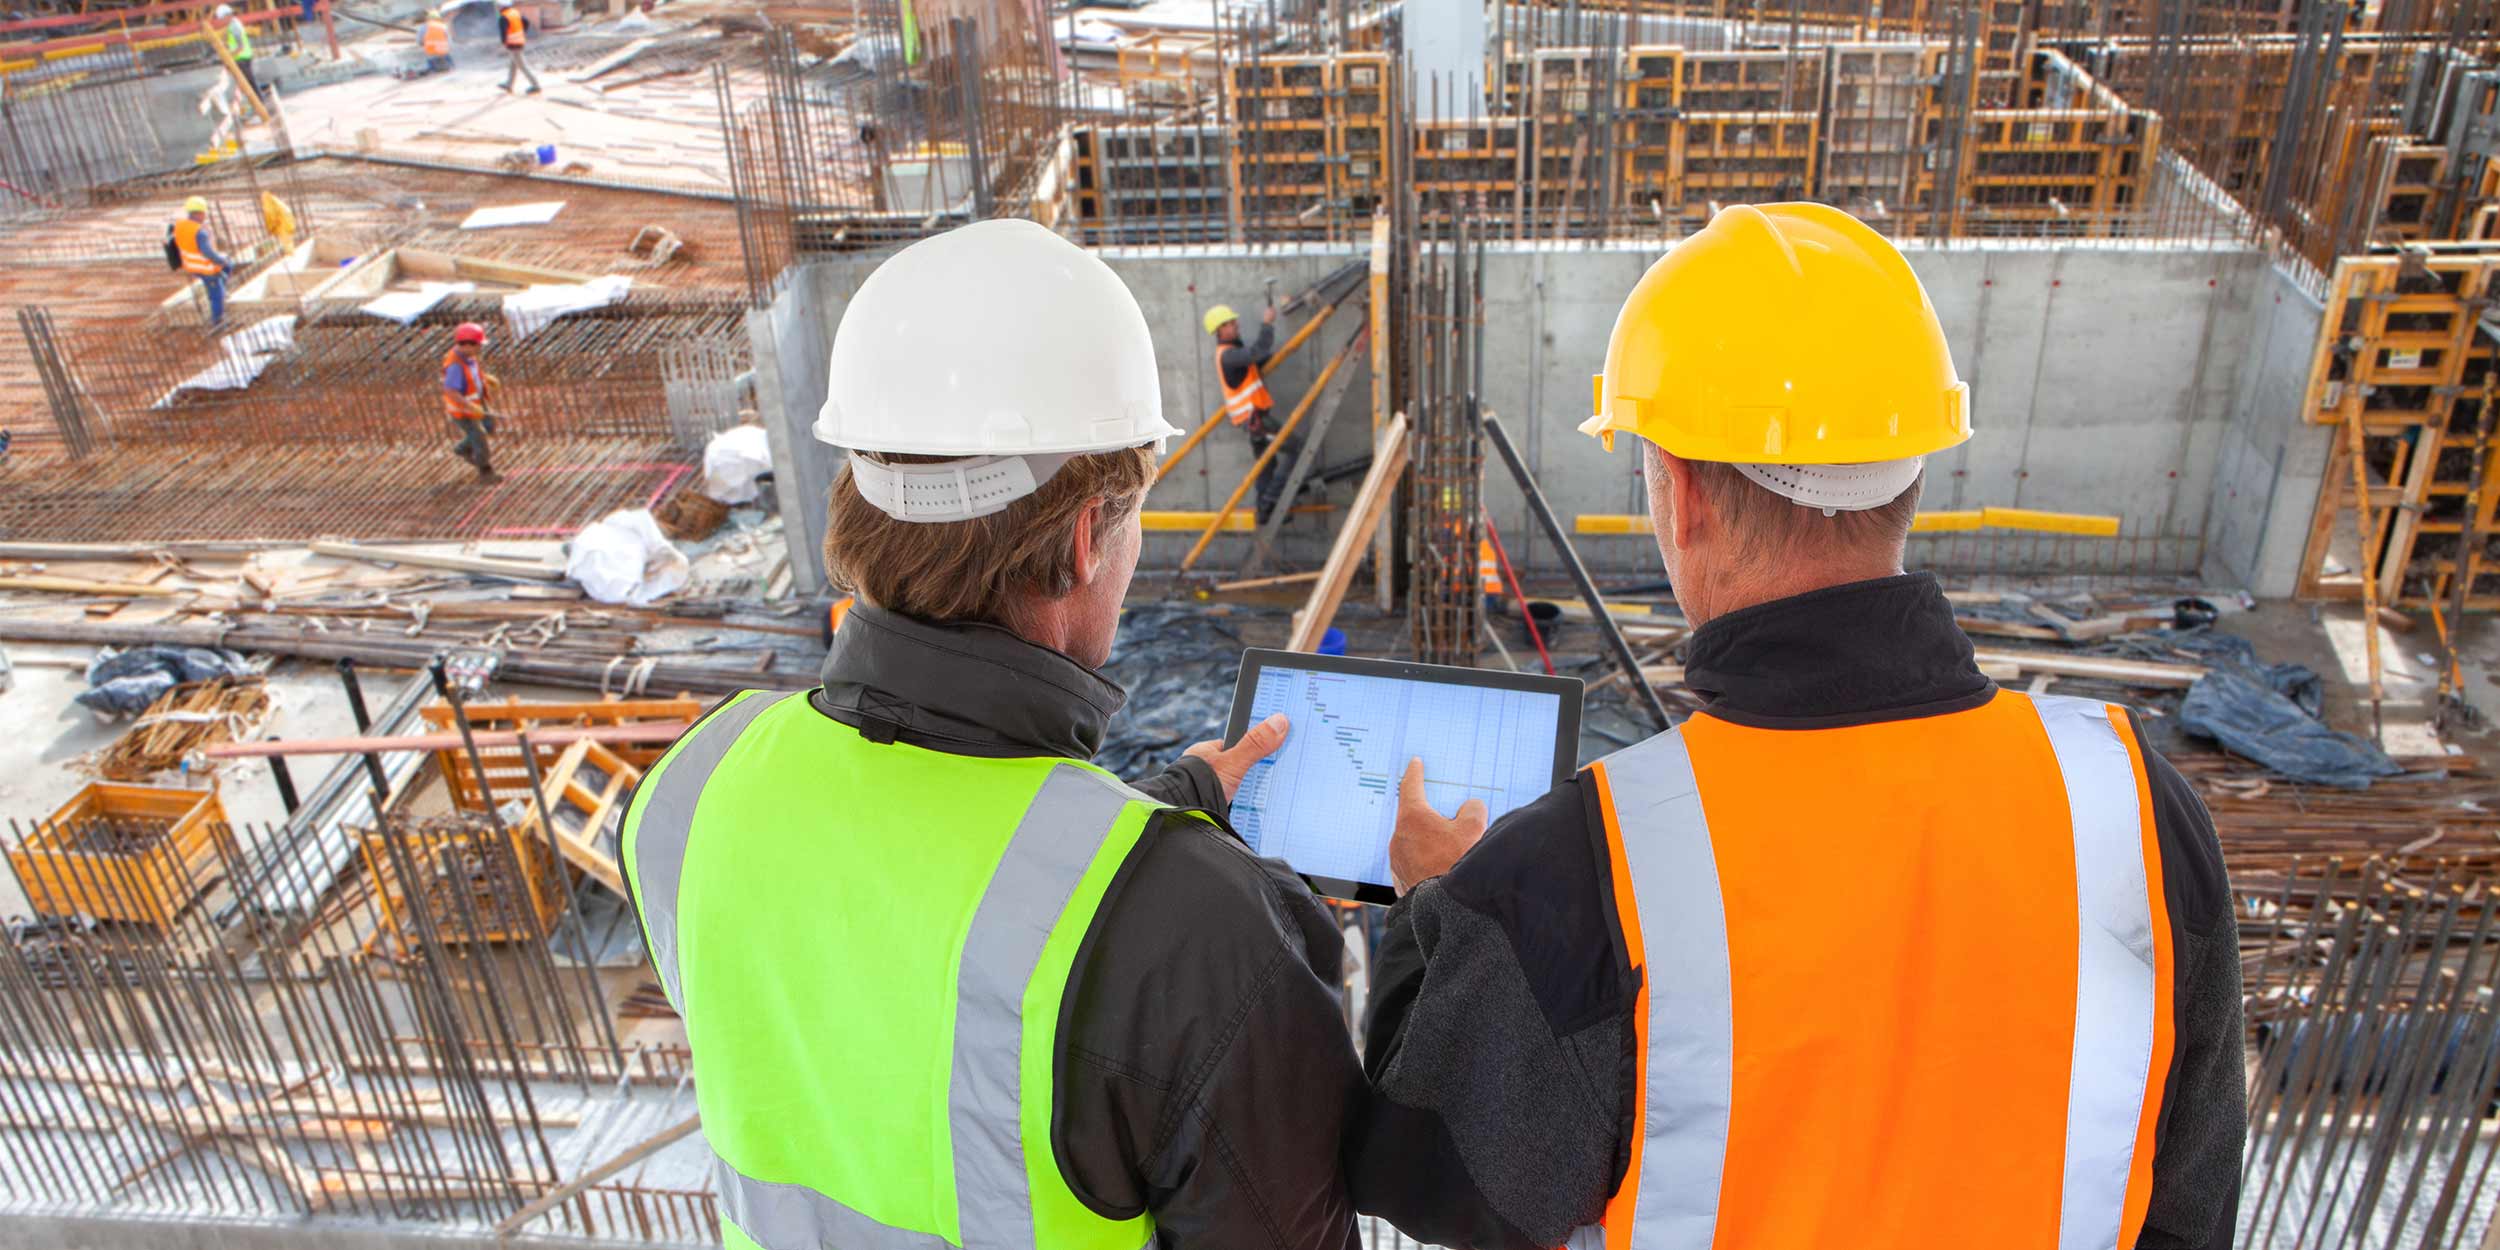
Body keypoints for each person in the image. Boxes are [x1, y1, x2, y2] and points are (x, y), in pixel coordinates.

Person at [1350, 202, 2246, 1250]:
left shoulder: (1583, 868)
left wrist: (1430, 905)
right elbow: (2187, 1202)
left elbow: (1425, 1170)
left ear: (1680, 495)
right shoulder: (2132, 804)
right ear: (1911, 468)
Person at [620, 219, 1365, 1250]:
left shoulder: (690, 786)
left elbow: (897, 963)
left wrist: (1163, 829)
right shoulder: (1208, 938)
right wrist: (1210, 900)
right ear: (1078, 539)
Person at [1203, 300, 1299, 524]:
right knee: (1295, 447)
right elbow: (1257, 352)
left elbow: (1255, 358)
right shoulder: (1228, 355)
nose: (1236, 324)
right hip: (1256, 420)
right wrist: (1267, 324)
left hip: (1254, 420)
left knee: (1267, 463)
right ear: (1219, 331)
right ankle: (1271, 499)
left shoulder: (1234, 353)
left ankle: (1264, 511)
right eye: (1229, 323)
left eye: (1234, 321)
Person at [441, 321, 500, 482]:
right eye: (479, 345)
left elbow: (471, 375)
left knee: (488, 425)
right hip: (463, 411)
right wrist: (470, 406)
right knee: (478, 436)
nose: (481, 348)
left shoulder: (468, 357)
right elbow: (450, 391)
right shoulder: (455, 365)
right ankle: (485, 470)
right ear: (467, 345)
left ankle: (462, 448)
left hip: (477, 403)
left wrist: (485, 379)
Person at [167, 196, 233, 326]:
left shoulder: (181, 225)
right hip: (205, 268)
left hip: (190, 265)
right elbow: (207, 253)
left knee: (229, 265)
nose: (205, 215)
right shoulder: (200, 232)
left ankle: (218, 288)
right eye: (204, 212)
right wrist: (220, 260)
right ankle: (218, 322)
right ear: (199, 213)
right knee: (217, 295)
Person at [211, 4, 260, 99]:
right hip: (242, 57)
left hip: (242, 58)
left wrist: (229, 56)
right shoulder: (233, 24)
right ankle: (258, 101)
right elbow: (231, 42)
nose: (221, 21)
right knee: (248, 83)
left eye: (221, 18)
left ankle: (260, 103)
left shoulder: (234, 27)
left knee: (250, 83)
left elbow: (240, 46)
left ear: (226, 16)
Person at [496, 0, 541, 94]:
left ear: (501, 6)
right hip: (520, 41)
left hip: (513, 44)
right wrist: (522, 32)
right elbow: (527, 22)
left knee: (522, 65)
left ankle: (536, 85)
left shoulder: (503, 17)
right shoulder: (515, 13)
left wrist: (503, 44)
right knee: (513, 64)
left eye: (497, 5)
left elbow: (503, 34)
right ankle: (509, 84)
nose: (497, 7)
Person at [420, 8, 451, 73]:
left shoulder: (423, 27)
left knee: (431, 61)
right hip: (443, 50)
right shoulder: (442, 25)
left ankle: (433, 70)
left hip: (431, 50)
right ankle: (450, 66)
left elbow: (419, 41)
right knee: (448, 61)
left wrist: (423, 44)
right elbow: (448, 37)